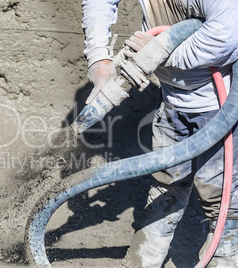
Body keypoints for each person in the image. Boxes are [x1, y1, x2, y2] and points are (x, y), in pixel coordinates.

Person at [81, 0, 238, 267]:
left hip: (220, 110)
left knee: (222, 201)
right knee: (165, 184)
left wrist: (162, 52)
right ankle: (142, 261)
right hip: (172, 102)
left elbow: (226, 34)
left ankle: (225, 257)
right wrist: (99, 57)